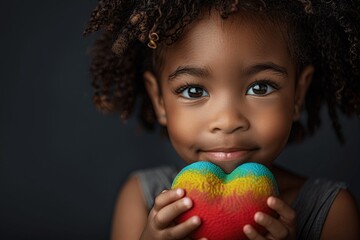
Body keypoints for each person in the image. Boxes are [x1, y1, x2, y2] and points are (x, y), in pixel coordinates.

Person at [84, 1, 360, 239]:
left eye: (260, 87)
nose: (228, 121)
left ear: (298, 94)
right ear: (159, 100)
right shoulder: (140, 201)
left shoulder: (333, 212)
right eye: (194, 91)